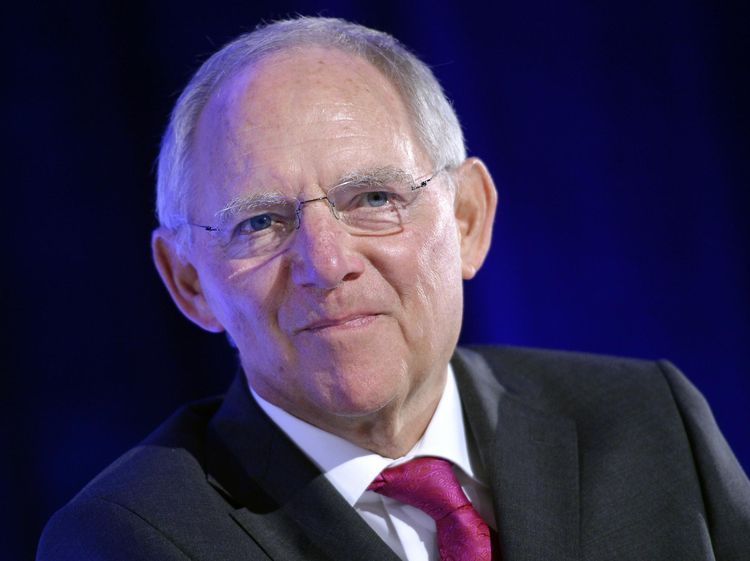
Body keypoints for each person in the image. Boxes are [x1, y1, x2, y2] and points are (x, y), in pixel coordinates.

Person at [37, 16, 750, 561]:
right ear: (189, 282)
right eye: (260, 222)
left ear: (467, 219)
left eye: (375, 198)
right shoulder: (126, 538)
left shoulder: (650, 419)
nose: (327, 262)